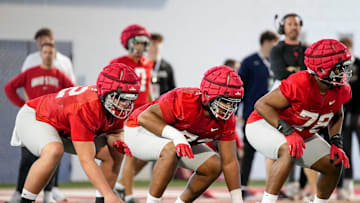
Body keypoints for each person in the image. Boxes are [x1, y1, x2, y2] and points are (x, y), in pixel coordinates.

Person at [10, 63, 138, 203]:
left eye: (129, 98)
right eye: (121, 98)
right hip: (36, 116)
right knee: (54, 150)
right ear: (105, 92)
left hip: (63, 126)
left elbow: (116, 132)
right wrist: (109, 194)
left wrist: (117, 141)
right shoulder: (85, 107)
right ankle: (26, 201)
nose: (125, 104)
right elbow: (86, 160)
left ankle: (102, 201)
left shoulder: (111, 103)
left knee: (114, 152)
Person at [245, 39, 352, 203]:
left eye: (344, 66)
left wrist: (336, 142)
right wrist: (288, 131)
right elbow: (262, 105)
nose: (343, 72)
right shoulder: (300, 83)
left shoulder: (341, 89)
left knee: (334, 164)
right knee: (288, 150)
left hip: (301, 132)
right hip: (264, 124)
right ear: (322, 69)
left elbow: (337, 114)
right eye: (339, 67)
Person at [123, 65, 245, 203]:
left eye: (232, 103)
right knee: (171, 149)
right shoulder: (185, 100)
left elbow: (229, 162)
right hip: (139, 130)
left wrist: (238, 200)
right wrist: (177, 136)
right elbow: (144, 118)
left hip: (170, 140)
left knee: (213, 165)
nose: (228, 108)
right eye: (225, 101)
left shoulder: (227, 120)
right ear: (207, 95)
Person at [4, 43, 75, 203]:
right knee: (27, 159)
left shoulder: (59, 74)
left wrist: (63, 109)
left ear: (54, 56)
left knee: (52, 155)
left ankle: (48, 193)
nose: (48, 55)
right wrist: (22, 103)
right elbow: (10, 87)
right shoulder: (30, 73)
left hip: (51, 122)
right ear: (41, 55)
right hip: (32, 119)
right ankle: (19, 192)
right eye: (45, 52)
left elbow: (73, 92)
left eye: (51, 52)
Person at [270, 13, 316, 199]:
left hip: (304, 99)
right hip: (282, 97)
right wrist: (300, 73)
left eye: (296, 24)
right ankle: (274, 190)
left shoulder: (308, 49)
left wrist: (293, 72)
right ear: (283, 27)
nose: (293, 27)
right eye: (289, 24)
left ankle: (313, 192)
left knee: (309, 142)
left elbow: (312, 73)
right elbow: (280, 72)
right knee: (276, 145)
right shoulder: (277, 49)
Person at [110, 24, 154, 203]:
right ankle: (128, 195)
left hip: (144, 114)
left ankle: (121, 184)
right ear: (128, 43)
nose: (140, 48)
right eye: (137, 44)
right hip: (126, 113)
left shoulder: (148, 63)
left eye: (143, 44)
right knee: (131, 154)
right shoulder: (118, 63)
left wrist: (154, 108)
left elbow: (148, 89)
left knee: (149, 154)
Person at [238, 30, 278, 199]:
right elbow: (239, 88)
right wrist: (235, 112)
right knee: (249, 153)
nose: (275, 48)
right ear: (265, 43)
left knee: (275, 152)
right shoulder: (249, 62)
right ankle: (242, 187)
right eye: (272, 44)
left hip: (274, 113)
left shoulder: (278, 63)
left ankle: (274, 188)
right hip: (252, 113)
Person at [336, 37, 360, 201]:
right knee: (346, 152)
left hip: (358, 114)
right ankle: (347, 186)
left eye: (347, 48)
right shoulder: (337, 69)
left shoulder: (359, 64)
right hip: (343, 116)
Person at [148, 33, 176, 99]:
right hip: (145, 104)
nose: (153, 48)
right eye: (151, 44)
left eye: (156, 44)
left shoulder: (167, 67)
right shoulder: (142, 66)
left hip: (163, 104)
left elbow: (173, 89)